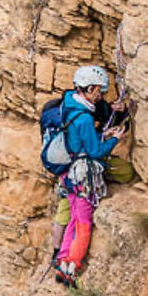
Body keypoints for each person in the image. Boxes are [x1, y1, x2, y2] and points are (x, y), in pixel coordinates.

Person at [52, 66, 131, 283]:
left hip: (68, 174)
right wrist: (115, 139)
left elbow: (79, 138)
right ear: (89, 88)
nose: (101, 96)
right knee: (83, 222)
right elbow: (95, 152)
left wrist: (103, 133)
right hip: (82, 175)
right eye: (99, 91)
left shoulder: (69, 104)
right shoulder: (85, 118)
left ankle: (61, 260)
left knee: (73, 219)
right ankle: (72, 265)